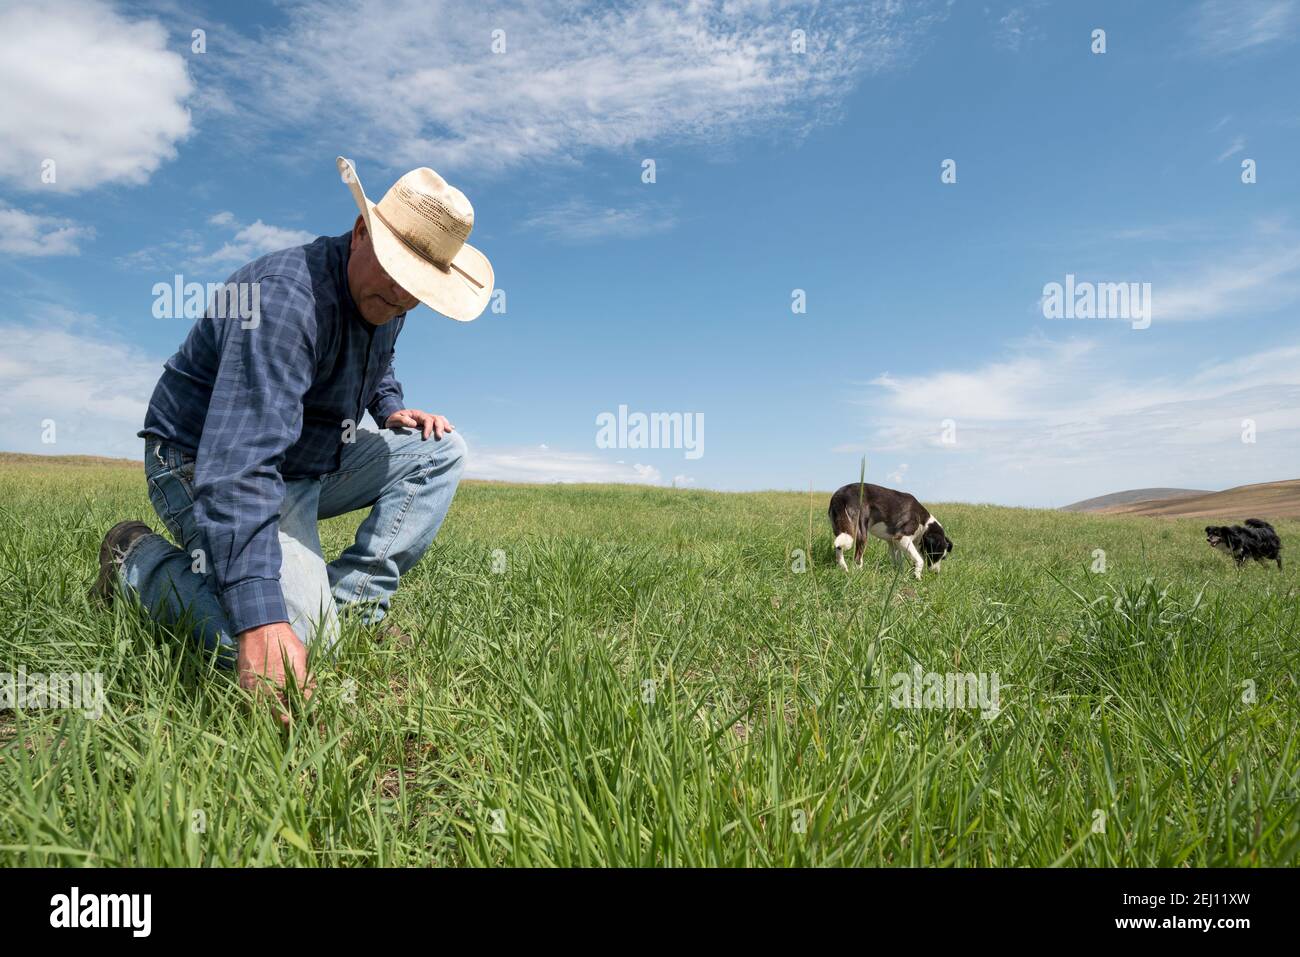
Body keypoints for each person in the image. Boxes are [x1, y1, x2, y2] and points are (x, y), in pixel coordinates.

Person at [91, 157, 493, 718]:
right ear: (360, 233)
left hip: (306, 461)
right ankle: (136, 562)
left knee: (441, 451)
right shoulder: (283, 302)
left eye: (418, 289)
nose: (403, 298)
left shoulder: (387, 298)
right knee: (291, 634)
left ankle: (352, 613)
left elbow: (380, 357)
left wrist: (391, 408)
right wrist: (261, 619)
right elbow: (239, 465)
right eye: (398, 275)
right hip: (202, 460)